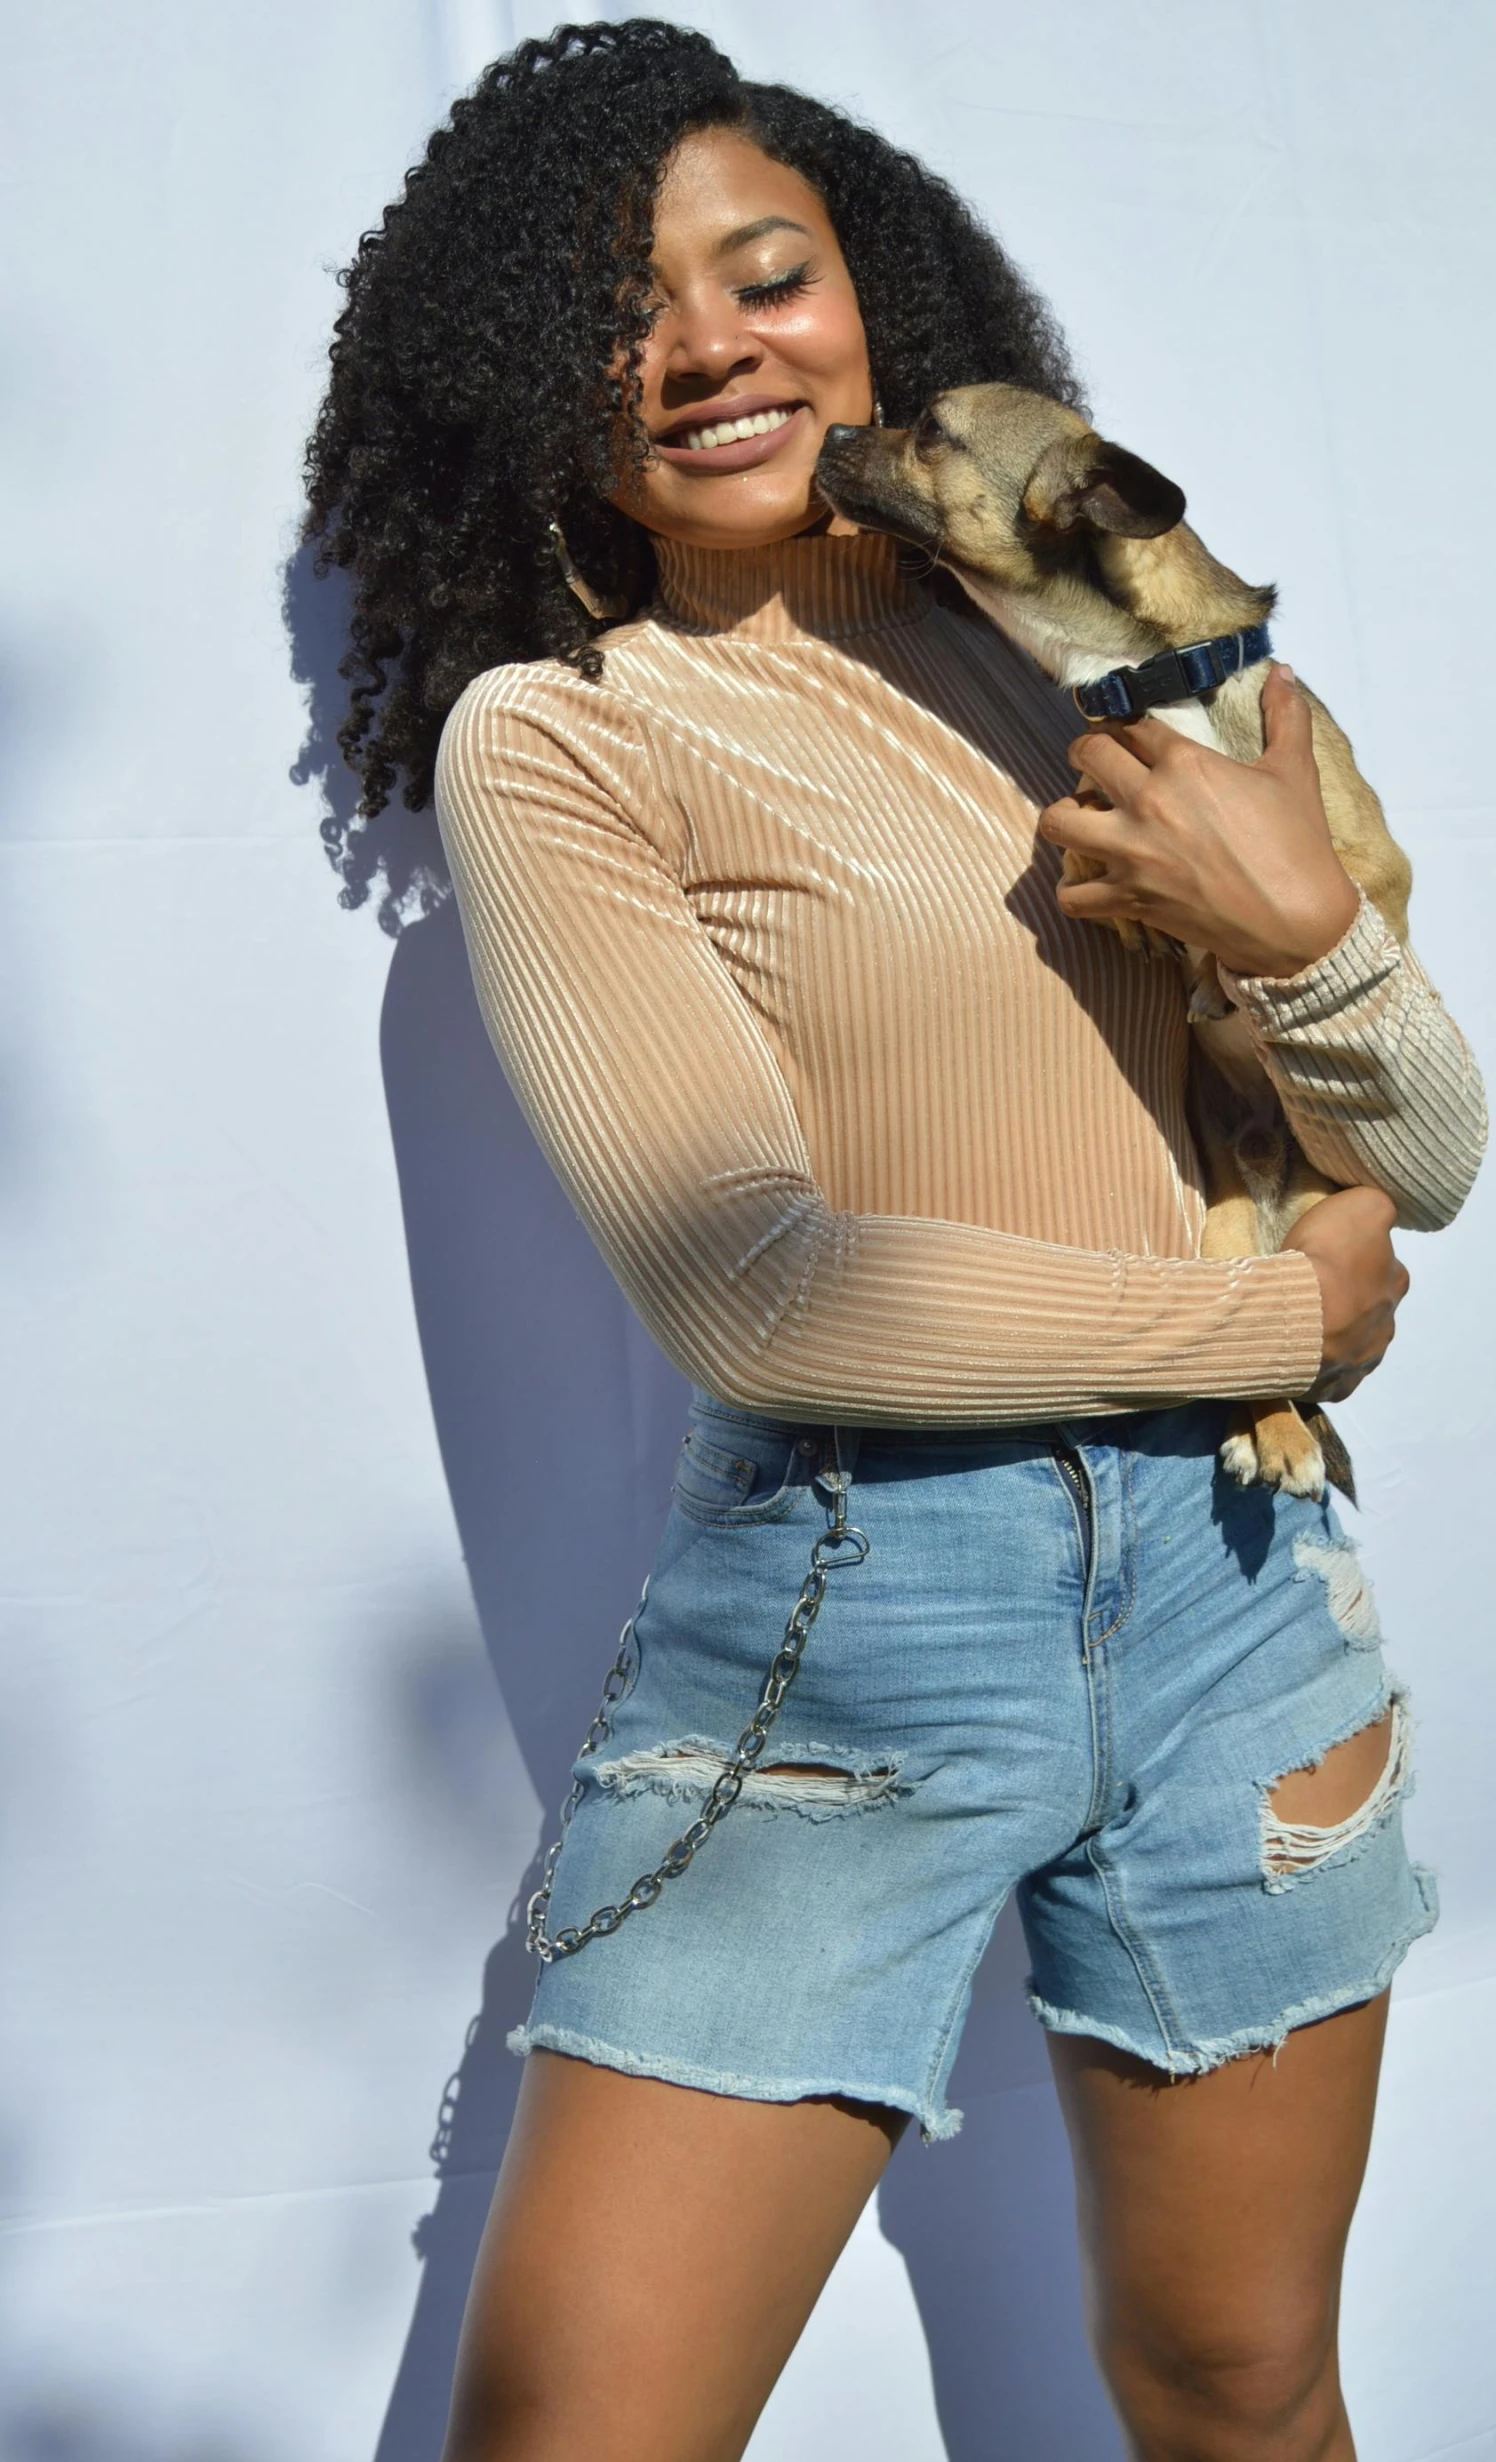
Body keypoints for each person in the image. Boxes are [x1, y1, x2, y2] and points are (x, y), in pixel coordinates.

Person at [303, 23, 1487, 2460]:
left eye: (772, 273)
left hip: (1241, 1607)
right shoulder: (562, 739)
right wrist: (1274, 1306)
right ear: (531, 377)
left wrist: (1298, 933)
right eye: (624, 310)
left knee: (1235, 2379)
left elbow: (1437, 1138)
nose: (714, 341)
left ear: (878, 301)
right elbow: (758, 1283)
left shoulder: (1082, 636)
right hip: (849, 1622)